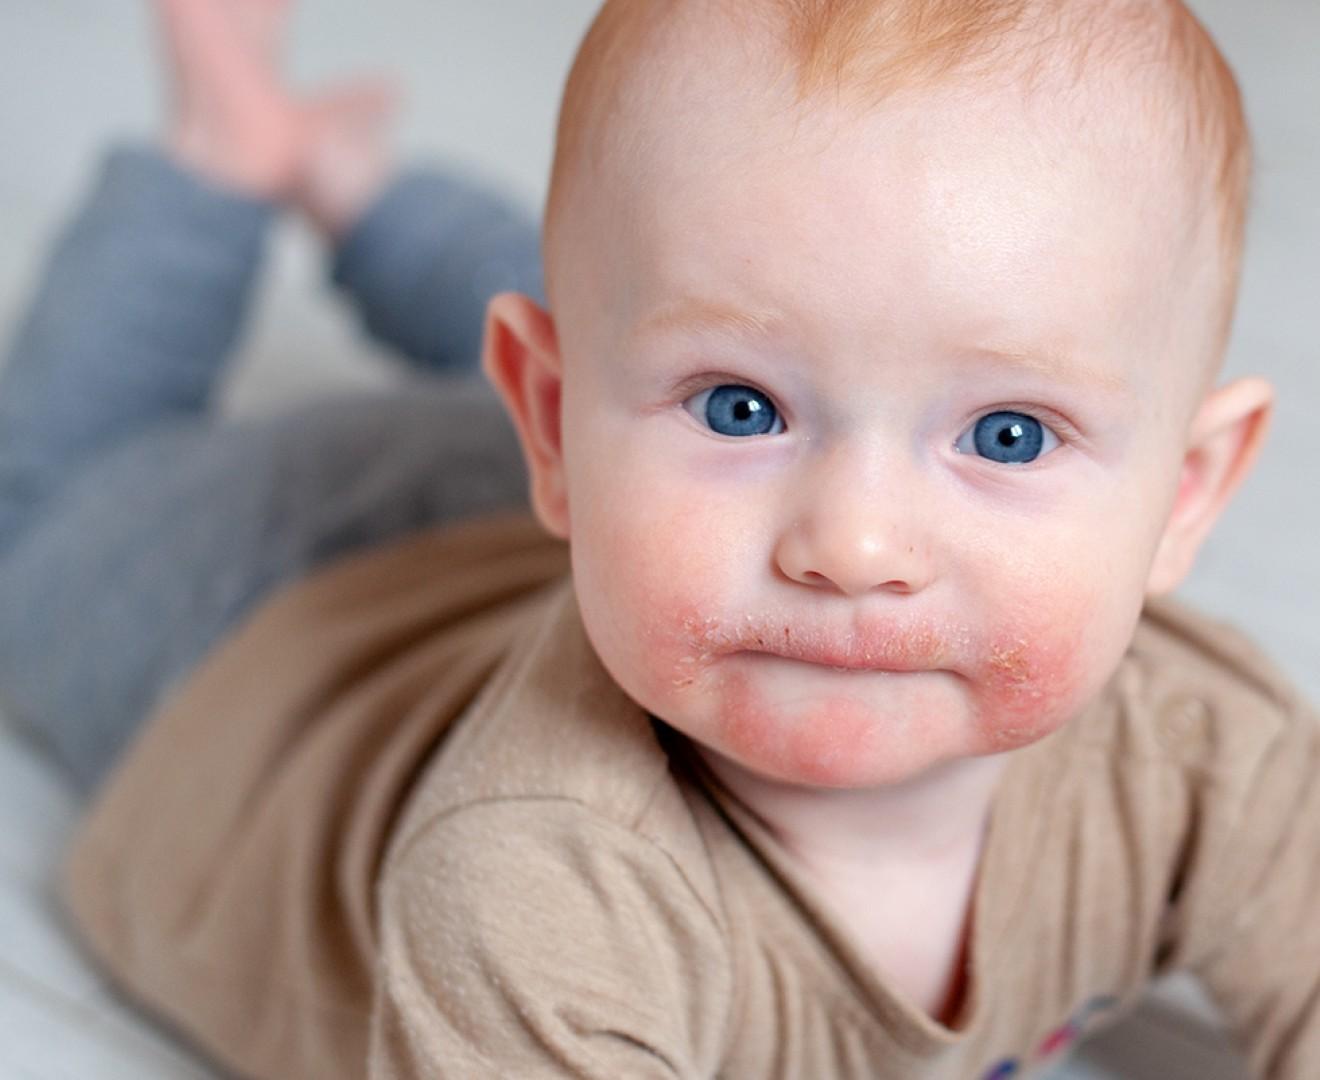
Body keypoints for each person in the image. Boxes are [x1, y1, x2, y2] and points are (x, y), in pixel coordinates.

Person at [1, 0, 1315, 1077]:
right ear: (553, 433)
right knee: (42, 518)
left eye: (1010, 435)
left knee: (691, 297)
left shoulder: (1206, 760)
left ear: (1186, 495)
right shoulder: (538, 897)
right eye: (743, 410)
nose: (854, 546)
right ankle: (220, 158)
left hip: (579, 520)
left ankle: (364, 191)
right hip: (246, 655)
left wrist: (723, 417)